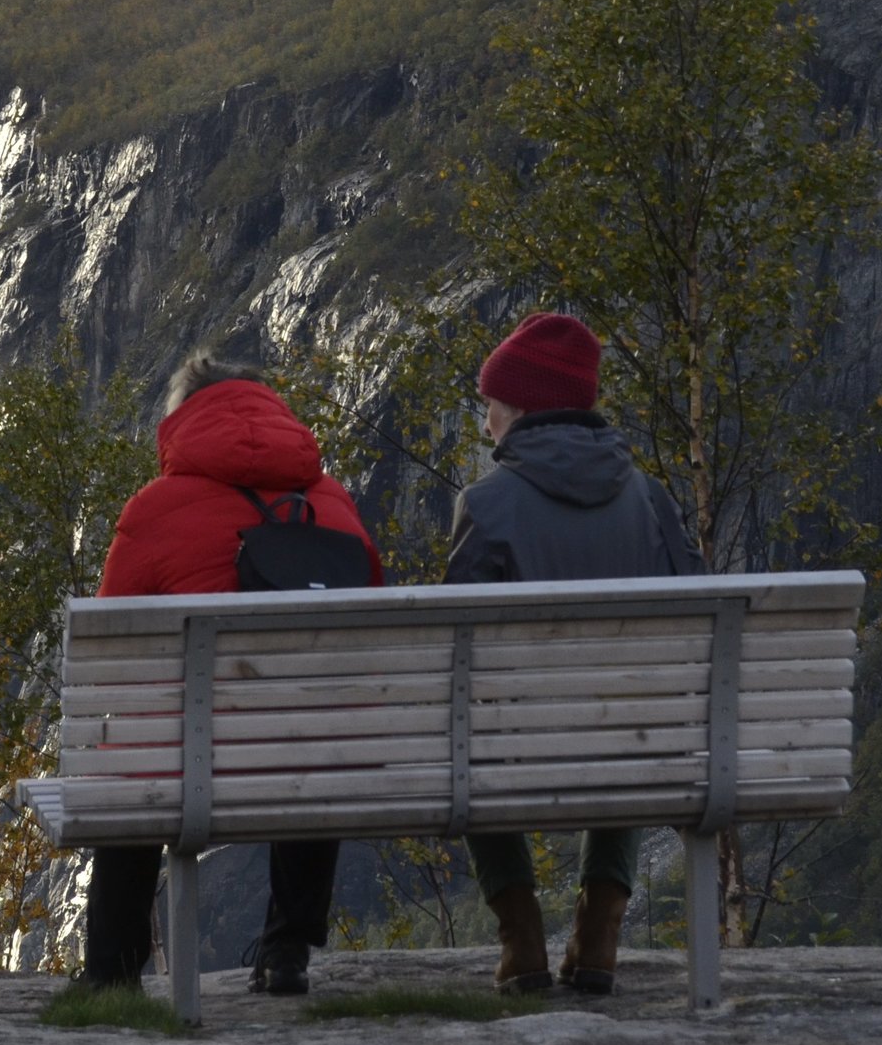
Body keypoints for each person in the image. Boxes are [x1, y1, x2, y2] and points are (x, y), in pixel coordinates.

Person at [79, 350, 385, 997]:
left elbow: (111, 655)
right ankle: (286, 947)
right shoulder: (333, 504)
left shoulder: (155, 509)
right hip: (315, 760)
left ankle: (112, 971)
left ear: (181, 421)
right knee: (312, 724)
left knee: (138, 756)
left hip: (194, 764)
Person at [444, 311, 700, 995]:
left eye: (491, 405)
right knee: (627, 706)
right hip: (635, 740)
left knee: (464, 732)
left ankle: (520, 931)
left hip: (518, 748)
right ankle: (600, 926)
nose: (486, 423)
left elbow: (454, 647)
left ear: (522, 406)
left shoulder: (488, 502)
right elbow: (697, 614)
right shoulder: (652, 500)